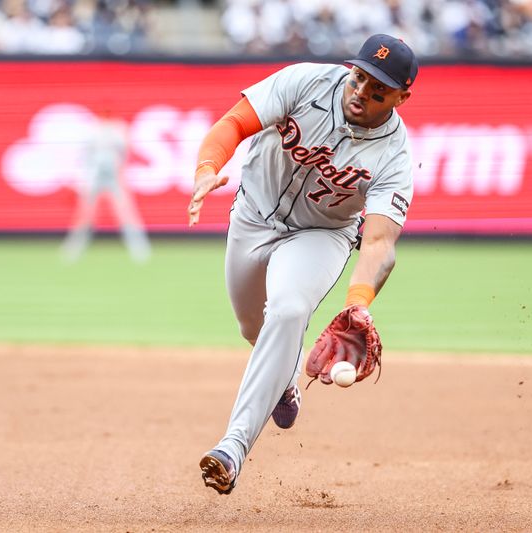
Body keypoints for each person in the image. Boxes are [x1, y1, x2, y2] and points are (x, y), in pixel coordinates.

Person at [188, 33, 418, 495]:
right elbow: (233, 123)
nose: (362, 92)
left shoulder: (395, 155)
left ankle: (232, 448)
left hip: (321, 233)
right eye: (359, 78)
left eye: (379, 89)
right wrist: (206, 168)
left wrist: (359, 302)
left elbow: (378, 242)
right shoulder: (306, 82)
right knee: (254, 330)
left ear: (402, 97)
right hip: (252, 214)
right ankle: (284, 382)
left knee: (290, 310)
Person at [61, 113, 151, 263]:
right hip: (95, 177)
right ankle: (73, 250)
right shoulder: (94, 130)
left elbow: (125, 153)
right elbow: (86, 157)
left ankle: (140, 250)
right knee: (85, 216)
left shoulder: (120, 129)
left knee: (126, 214)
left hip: (114, 177)